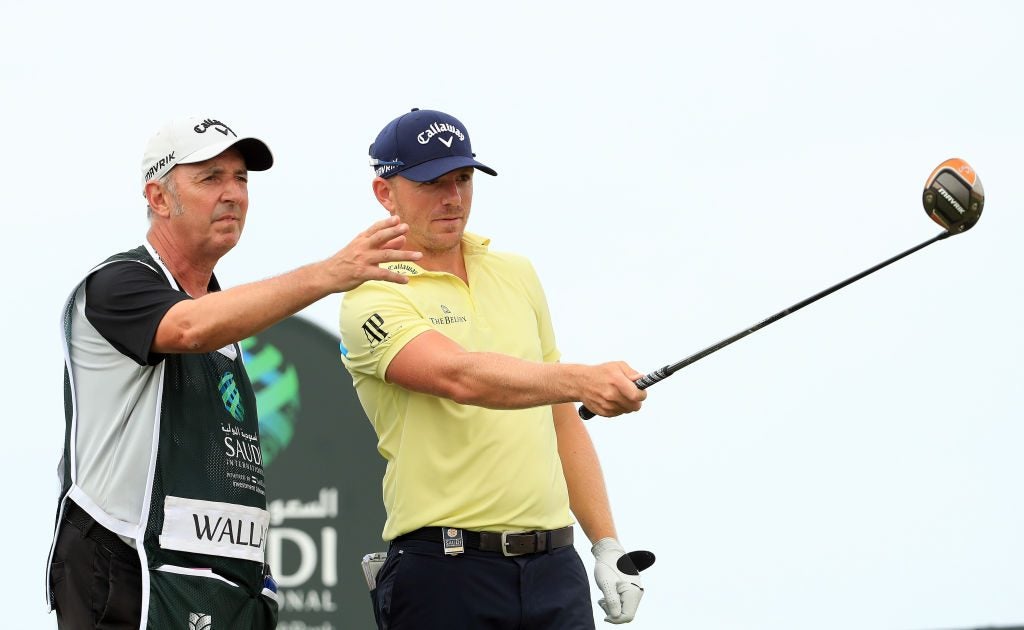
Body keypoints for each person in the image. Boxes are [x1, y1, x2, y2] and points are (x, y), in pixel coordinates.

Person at [46, 115, 422, 629]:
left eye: (241, 179)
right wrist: (328, 274)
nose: (234, 194)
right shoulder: (117, 284)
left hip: (217, 587)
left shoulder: (222, 312)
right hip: (129, 574)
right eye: (210, 178)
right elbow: (188, 330)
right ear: (157, 198)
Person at [339, 108, 650, 629]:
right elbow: (459, 376)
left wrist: (606, 544)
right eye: (431, 182)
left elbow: (559, 418)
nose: (453, 198)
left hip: (556, 570)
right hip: (444, 572)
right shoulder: (369, 294)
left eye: (462, 179)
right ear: (384, 192)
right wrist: (580, 379)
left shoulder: (516, 273)